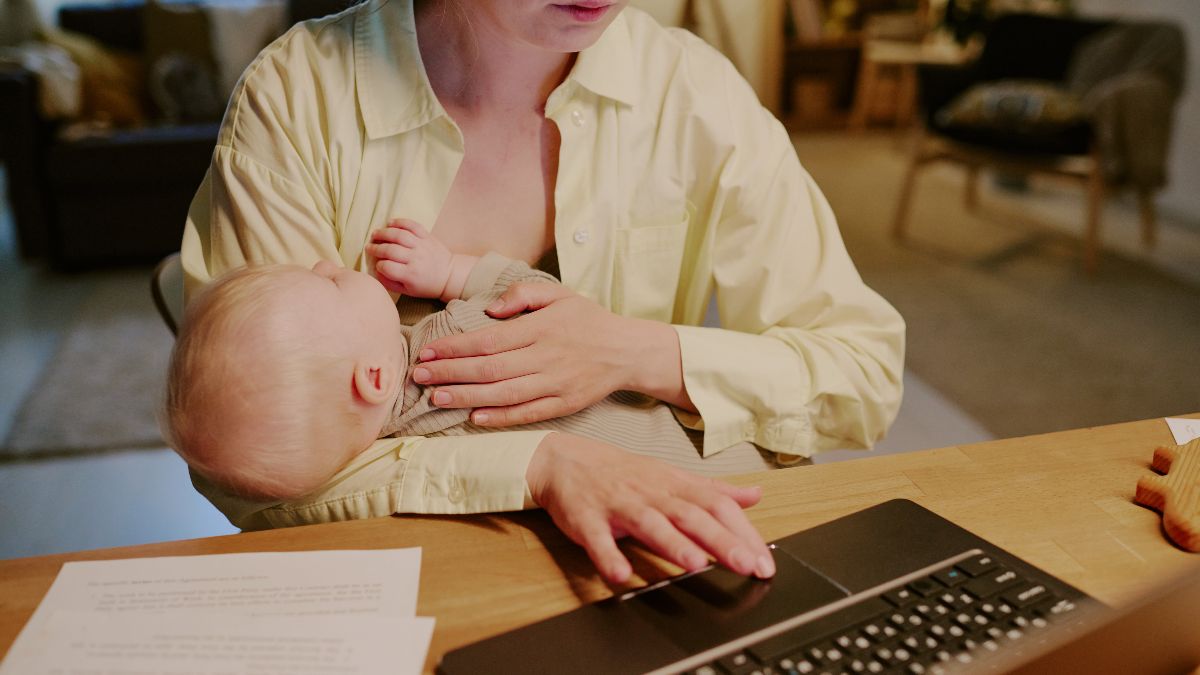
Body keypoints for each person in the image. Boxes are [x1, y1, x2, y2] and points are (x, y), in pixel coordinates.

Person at [180, 0, 906, 584]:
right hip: (426, 579)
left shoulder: (695, 94)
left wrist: (635, 351)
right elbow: (255, 470)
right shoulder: (298, 96)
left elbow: (861, 374)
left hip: (650, 569)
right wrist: (540, 464)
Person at [166, 219, 772, 502]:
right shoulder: (453, 336)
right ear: (375, 377)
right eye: (328, 284)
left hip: (679, 498)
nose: (328, 264)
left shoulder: (409, 466)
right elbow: (537, 298)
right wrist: (453, 271)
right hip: (718, 449)